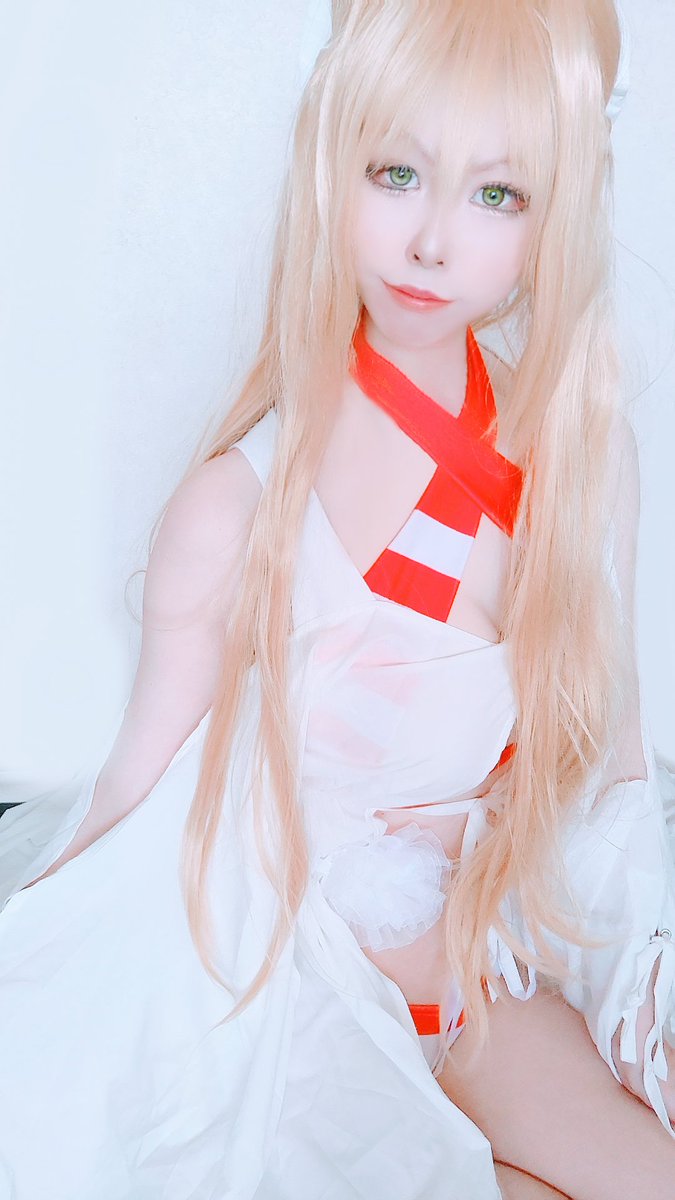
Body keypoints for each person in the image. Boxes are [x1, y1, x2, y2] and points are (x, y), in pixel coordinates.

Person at [1, 1, 674, 1197]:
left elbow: (612, 775)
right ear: (333, 164)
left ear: (556, 214)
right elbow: (131, 808)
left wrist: (645, 993)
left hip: (479, 976)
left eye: (497, 194)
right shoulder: (233, 511)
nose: (432, 242)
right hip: (283, 1006)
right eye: (396, 173)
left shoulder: (581, 469)